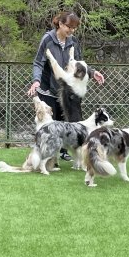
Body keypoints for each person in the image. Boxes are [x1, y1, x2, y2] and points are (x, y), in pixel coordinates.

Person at [27, 12, 105, 161]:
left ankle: (64, 151)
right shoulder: (48, 39)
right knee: (51, 123)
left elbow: (79, 63)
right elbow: (38, 62)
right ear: (61, 24)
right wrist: (36, 80)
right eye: (69, 26)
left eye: (74, 28)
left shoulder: (73, 41)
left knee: (69, 124)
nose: (72, 30)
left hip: (67, 92)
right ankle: (48, 156)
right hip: (48, 88)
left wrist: (92, 73)